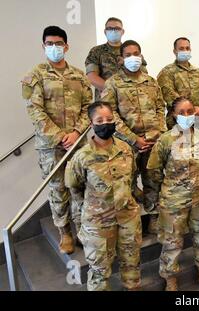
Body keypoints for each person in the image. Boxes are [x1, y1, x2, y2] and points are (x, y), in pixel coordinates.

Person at [21, 26, 92, 254]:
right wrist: (61, 136)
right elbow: (35, 111)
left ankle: (81, 230)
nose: (54, 48)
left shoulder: (79, 76)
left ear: (66, 46)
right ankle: (65, 233)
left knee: (79, 187)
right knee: (58, 189)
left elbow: (88, 108)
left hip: (78, 143)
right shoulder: (35, 76)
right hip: (51, 147)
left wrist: (76, 133)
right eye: (49, 44)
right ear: (43, 47)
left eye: (58, 43)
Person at [65, 102, 142, 291]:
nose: (105, 123)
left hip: (127, 216)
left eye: (109, 119)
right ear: (91, 124)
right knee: (99, 271)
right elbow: (74, 187)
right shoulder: (82, 156)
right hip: (97, 222)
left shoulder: (126, 149)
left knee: (132, 264)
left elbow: (131, 178)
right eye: (100, 120)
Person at [147, 97, 199, 291]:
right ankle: (170, 280)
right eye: (182, 112)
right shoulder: (165, 140)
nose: (187, 116)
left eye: (190, 111)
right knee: (172, 242)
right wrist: (170, 188)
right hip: (173, 201)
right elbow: (153, 171)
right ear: (173, 115)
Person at [100, 40, 166, 234]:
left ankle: (154, 217)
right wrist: (133, 139)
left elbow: (160, 107)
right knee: (125, 182)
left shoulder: (151, 81)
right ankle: (129, 222)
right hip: (127, 143)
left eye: (136, 53)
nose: (133, 58)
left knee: (154, 179)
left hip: (153, 141)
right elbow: (109, 114)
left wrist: (159, 133)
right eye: (128, 55)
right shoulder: (113, 83)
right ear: (121, 59)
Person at [85, 17, 147, 101]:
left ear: (122, 32)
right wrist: (114, 91)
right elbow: (91, 77)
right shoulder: (96, 51)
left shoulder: (132, 50)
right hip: (106, 102)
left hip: (131, 102)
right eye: (110, 28)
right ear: (105, 31)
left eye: (117, 28)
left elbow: (144, 75)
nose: (113, 31)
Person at [157, 37, 199, 129]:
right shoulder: (166, 72)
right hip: (177, 121)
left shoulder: (198, 72)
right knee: (178, 143)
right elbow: (168, 94)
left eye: (187, 48)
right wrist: (189, 110)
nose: (185, 51)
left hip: (198, 120)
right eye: (181, 48)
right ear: (175, 51)